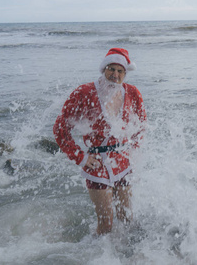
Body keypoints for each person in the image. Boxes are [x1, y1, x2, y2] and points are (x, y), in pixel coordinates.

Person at [53, 48, 147, 235]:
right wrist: (80, 157)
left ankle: (126, 255)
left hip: (123, 162)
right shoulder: (85, 92)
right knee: (106, 224)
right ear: (104, 69)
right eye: (111, 69)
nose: (115, 75)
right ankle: (95, 254)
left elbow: (141, 125)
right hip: (97, 165)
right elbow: (60, 127)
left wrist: (134, 152)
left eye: (120, 71)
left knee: (127, 218)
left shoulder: (132, 92)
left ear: (125, 74)